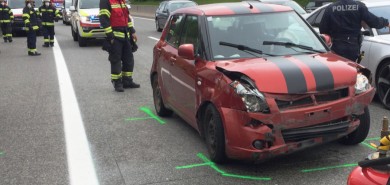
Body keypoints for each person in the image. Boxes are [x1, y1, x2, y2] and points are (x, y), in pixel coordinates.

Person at [319, 0, 390, 62]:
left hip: (336, 46)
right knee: (351, 69)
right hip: (352, 46)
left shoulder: (330, 8)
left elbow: (323, 29)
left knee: (339, 69)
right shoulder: (359, 7)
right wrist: (386, 23)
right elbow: (374, 21)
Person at [99, 0, 140, 92]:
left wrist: (132, 31)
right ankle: (117, 82)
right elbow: (104, 19)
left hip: (126, 36)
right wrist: (110, 36)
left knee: (129, 59)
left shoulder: (121, 1)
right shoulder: (106, 1)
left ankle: (127, 81)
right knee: (116, 60)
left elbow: (127, 18)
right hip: (115, 37)